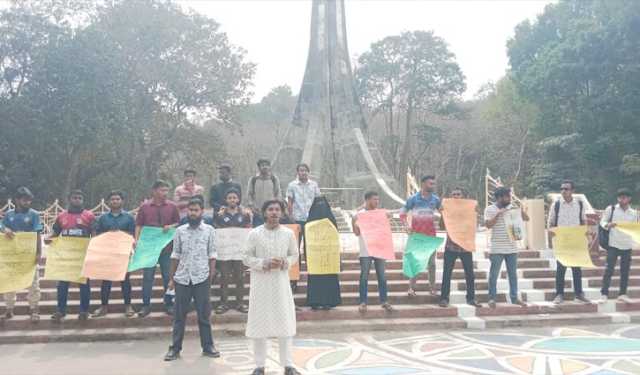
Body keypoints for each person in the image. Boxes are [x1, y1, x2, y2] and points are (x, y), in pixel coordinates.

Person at [243, 200, 300, 375]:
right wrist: (263, 263)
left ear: (282, 213)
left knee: (285, 322)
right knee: (259, 323)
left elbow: (295, 255)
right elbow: (246, 257)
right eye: (270, 209)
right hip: (260, 284)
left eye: (277, 209)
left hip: (281, 283)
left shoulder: (288, 234)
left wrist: (285, 262)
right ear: (264, 212)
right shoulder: (254, 234)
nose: (274, 212)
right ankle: (259, 366)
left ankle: (288, 365)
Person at [164, 199, 219, 361]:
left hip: (202, 277)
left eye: (196, 210)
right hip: (182, 278)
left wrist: (211, 276)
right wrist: (171, 278)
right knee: (179, 316)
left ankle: (208, 346)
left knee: (204, 315)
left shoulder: (209, 230)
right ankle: (174, 348)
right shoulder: (180, 231)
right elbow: (175, 255)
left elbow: (212, 255)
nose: (192, 213)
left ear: (202, 212)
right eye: (190, 210)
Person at [135, 180, 180, 317]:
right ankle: (146, 305)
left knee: (168, 276)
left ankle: (169, 304)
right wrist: (137, 241)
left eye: (166, 190)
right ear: (154, 191)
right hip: (149, 247)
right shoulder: (145, 207)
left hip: (167, 247)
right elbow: (138, 224)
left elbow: (178, 223)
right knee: (148, 277)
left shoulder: (172, 206)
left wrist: (170, 226)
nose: (165, 193)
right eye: (162, 190)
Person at [50, 190, 96, 322]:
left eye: (80, 198)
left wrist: (94, 248)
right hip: (66, 257)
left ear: (83, 200)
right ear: (70, 199)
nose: (77, 200)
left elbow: (94, 234)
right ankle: (60, 310)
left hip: (83, 256)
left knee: (84, 284)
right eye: (75, 198)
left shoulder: (89, 216)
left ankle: (84, 311)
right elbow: (55, 233)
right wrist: (49, 239)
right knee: (62, 284)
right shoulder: (61, 216)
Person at [91, 190, 137, 318]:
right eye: (112, 199)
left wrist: (121, 235)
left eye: (117, 199)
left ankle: (128, 306)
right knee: (106, 281)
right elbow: (97, 235)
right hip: (108, 253)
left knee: (125, 280)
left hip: (123, 252)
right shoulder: (102, 218)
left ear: (122, 201)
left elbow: (133, 235)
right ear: (108, 202)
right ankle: (104, 306)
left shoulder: (129, 217)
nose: (115, 201)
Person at [1, 187, 42, 322]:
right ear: (17, 200)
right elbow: (1, 226)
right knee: (9, 280)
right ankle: (9, 308)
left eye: (29, 200)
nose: (27, 202)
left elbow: (37, 234)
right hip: (12, 256)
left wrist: (38, 252)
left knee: (33, 282)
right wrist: (4, 228)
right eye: (24, 200)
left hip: (28, 255)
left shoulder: (34, 214)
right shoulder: (8, 215)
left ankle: (34, 309)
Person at [484, 187, 529, 309]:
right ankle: (492, 298)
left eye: (509, 196)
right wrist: (498, 214)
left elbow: (526, 219)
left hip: (512, 247)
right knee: (494, 274)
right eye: (507, 197)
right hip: (497, 247)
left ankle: (514, 298)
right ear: (499, 198)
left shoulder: (512, 208)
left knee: (512, 274)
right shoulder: (490, 209)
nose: (509, 199)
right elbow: (488, 225)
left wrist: (521, 211)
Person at [547, 180, 590, 304]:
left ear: (572, 191)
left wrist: (586, 236)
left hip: (576, 240)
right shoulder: (556, 204)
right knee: (561, 268)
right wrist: (551, 235)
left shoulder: (579, 204)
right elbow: (550, 222)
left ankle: (579, 294)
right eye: (562, 189)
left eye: (566, 189)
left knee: (577, 269)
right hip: (562, 241)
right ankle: (559, 294)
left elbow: (583, 221)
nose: (563, 191)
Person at [439, 188, 481, 308]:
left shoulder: (467, 209)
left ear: (462, 196)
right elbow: (442, 226)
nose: (456, 196)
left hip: (465, 246)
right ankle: (444, 299)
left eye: (458, 194)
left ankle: (471, 298)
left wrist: (475, 212)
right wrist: (443, 214)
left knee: (470, 274)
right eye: (454, 194)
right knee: (447, 273)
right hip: (450, 246)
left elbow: (474, 225)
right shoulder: (448, 210)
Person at [352, 191, 393, 313]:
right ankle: (363, 301)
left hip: (379, 248)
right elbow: (356, 233)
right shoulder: (359, 215)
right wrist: (355, 224)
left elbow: (388, 220)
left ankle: (384, 300)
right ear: (367, 200)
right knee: (364, 276)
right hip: (365, 250)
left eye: (377, 200)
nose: (377, 202)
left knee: (382, 276)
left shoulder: (380, 214)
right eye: (375, 199)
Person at [400, 175, 440, 297]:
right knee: (415, 262)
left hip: (431, 236)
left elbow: (445, 212)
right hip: (417, 236)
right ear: (423, 184)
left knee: (432, 264)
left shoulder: (436, 200)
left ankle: (432, 288)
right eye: (430, 184)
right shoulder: (413, 199)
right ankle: (411, 288)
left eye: (433, 183)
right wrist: (406, 225)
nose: (432, 186)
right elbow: (403, 212)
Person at [213, 189, 251, 314]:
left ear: (238, 199)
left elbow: (248, 229)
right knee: (224, 277)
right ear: (226, 200)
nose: (232, 200)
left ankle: (240, 303)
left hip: (239, 251)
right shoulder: (220, 214)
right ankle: (223, 303)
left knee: (240, 277)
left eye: (234, 198)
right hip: (225, 251)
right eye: (230, 198)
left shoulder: (244, 214)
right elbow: (216, 229)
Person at [600, 188, 638, 303]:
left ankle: (622, 293)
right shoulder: (611, 209)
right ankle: (604, 293)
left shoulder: (634, 213)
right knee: (609, 269)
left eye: (624, 197)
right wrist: (608, 224)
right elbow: (602, 222)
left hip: (627, 244)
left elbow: (636, 228)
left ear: (629, 199)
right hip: (613, 244)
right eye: (620, 197)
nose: (622, 199)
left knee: (625, 270)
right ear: (618, 198)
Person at [286, 163, 321, 291]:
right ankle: (293, 280)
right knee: (295, 250)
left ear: (308, 172)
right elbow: (289, 202)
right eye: (301, 170)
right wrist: (291, 218)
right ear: (297, 172)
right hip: (297, 220)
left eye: (305, 170)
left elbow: (318, 201)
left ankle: (313, 280)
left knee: (310, 250)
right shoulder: (292, 185)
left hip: (311, 221)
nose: (303, 173)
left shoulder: (314, 185)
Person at [305, 196, 342, 310]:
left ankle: (329, 301)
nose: (320, 207)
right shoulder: (309, 222)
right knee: (315, 279)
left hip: (328, 257)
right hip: (315, 258)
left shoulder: (332, 221)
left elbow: (336, 240)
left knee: (329, 279)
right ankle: (315, 301)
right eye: (318, 204)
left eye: (322, 204)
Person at [247, 158, 282, 226]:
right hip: (257, 212)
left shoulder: (274, 179)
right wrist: (252, 207)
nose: (264, 167)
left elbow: (278, 193)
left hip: (272, 212)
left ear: (269, 167)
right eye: (262, 165)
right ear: (259, 167)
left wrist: (277, 207)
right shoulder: (253, 179)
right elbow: (249, 194)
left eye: (266, 165)